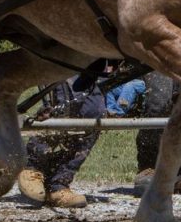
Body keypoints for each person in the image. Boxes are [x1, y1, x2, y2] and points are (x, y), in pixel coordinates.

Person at [17, 60, 141, 208]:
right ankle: (32, 168)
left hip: (91, 61)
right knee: (63, 108)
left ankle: (58, 183)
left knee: (94, 112)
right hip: (64, 54)